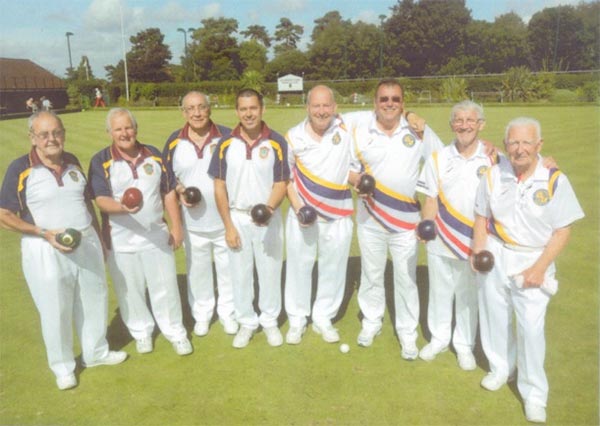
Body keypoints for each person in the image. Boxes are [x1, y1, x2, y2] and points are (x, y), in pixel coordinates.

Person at [0, 111, 127, 390]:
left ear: (64, 133)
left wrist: (99, 239)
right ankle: (63, 366)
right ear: (32, 138)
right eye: (43, 134)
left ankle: (96, 353)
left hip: (87, 242)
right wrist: (43, 233)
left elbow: (85, 204)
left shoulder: (72, 162)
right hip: (44, 249)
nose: (51, 139)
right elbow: (4, 214)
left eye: (56, 132)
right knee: (54, 309)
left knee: (95, 299)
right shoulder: (20, 168)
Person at [472, 117, 584, 423]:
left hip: (533, 259)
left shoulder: (554, 179)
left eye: (526, 142)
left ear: (539, 145)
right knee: (494, 317)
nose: (519, 149)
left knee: (531, 330)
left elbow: (563, 230)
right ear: (506, 144)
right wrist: (479, 249)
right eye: (513, 142)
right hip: (495, 255)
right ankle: (500, 368)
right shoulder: (495, 174)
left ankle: (534, 394)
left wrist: (540, 268)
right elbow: (481, 217)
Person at [348, 78, 443, 360]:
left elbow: (445, 158)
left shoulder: (418, 130)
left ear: (403, 103)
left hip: (406, 221)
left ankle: (407, 332)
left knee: (406, 277)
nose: (389, 104)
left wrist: (489, 151)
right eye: (384, 99)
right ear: (374, 102)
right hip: (370, 218)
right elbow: (349, 169)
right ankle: (372, 322)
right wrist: (357, 179)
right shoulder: (361, 132)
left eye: (396, 100)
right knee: (372, 273)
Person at [88, 108, 193, 356]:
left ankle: (175, 331)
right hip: (120, 238)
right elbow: (101, 199)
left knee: (165, 285)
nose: (125, 133)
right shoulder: (101, 160)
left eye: (128, 127)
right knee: (130, 289)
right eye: (118, 129)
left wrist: (176, 226)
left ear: (136, 128)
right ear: (110, 132)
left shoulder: (154, 155)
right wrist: (122, 207)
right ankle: (141, 332)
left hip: (156, 235)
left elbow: (168, 192)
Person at [415, 100, 495, 370]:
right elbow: (430, 199)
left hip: (474, 240)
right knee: (439, 291)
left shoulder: (493, 158)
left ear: (480, 124)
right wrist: (426, 225)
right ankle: (438, 338)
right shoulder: (439, 157)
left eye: (470, 120)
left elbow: (527, 162)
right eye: (459, 121)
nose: (464, 125)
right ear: (452, 125)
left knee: (467, 295)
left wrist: (548, 162)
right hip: (441, 238)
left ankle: (464, 346)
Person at [208, 88, 290, 349]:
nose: (249, 114)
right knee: (240, 275)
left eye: (253, 108)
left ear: (262, 109)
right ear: (237, 112)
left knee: (270, 272)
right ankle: (246, 322)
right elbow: (219, 186)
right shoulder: (225, 144)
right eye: (243, 109)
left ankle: (269, 322)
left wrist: (269, 208)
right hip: (238, 217)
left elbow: (281, 182)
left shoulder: (277, 142)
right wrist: (228, 226)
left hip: (268, 216)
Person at [162, 91, 238, 337]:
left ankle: (228, 313)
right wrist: (180, 189)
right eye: (191, 108)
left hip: (225, 221)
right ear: (183, 112)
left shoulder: (228, 136)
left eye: (201, 107)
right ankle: (202, 314)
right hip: (193, 224)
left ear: (210, 108)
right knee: (198, 271)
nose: (196, 113)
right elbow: (167, 179)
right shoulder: (174, 142)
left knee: (228, 270)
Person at [283, 85, 354, 345]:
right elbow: (285, 176)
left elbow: (381, 116)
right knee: (299, 266)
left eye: (326, 106)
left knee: (333, 268)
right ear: (307, 108)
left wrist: (411, 115)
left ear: (335, 107)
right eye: (316, 106)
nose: (322, 111)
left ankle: (323, 317)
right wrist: (299, 207)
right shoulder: (293, 136)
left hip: (338, 215)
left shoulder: (347, 129)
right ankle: (297, 318)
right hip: (303, 216)